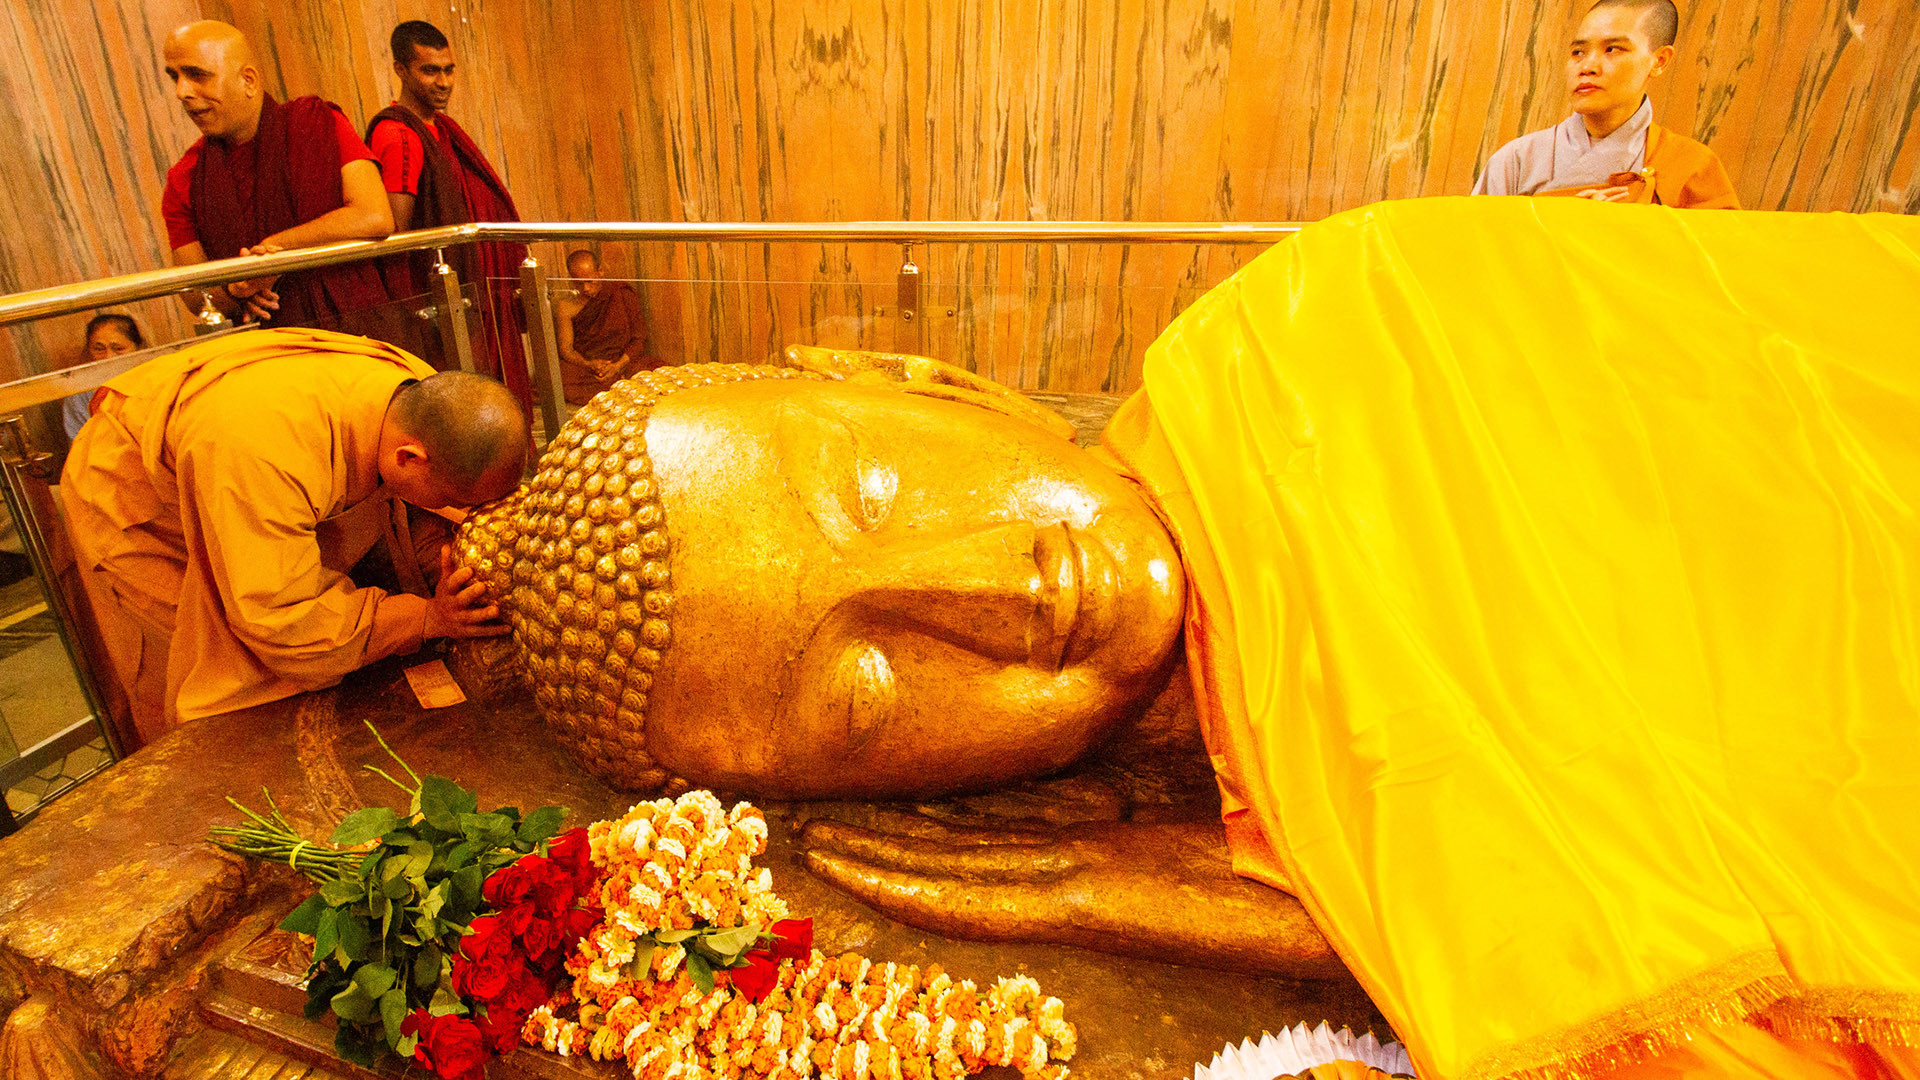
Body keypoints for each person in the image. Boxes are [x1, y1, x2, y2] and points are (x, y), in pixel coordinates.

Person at [457, 198, 1920, 1080]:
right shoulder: (1270, 808)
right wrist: (1340, 884)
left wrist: (1410, 893)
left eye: (874, 485)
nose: (990, 588)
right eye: (864, 691)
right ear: (917, 795)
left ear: (910, 377)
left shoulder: (1354, 305)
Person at [61, 327, 527, 745]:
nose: (465, 514)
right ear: (408, 458)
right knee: (198, 659)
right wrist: (425, 617)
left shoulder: (412, 390)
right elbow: (279, 618)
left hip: (240, 448)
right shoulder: (263, 458)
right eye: (460, 499)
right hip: (135, 500)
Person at [158, 21, 393, 330]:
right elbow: (194, 291)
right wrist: (238, 290)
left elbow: (373, 215)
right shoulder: (184, 179)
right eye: (175, 77)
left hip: (357, 328)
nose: (181, 92)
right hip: (267, 344)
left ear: (249, 80)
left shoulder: (318, 124)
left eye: (197, 75)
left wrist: (272, 255)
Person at [365, 20, 532, 415]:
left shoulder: (441, 128)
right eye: (429, 70)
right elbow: (394, 232)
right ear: (401, 71)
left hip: (472, 288)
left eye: (449, 69)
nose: (443, 82)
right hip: (437, 297)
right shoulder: (397, 134)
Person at [1472, 0, 1739, 207]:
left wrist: (1618, 233)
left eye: (1612, 49)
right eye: (1578, 52)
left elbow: (1718, 264)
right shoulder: (1517, 160)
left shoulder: (1691, 167)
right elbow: (1475, 251)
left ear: (1659, 61)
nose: (1587, 66)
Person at [554, 250, 651, 405]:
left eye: (589, 281)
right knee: (557, 375)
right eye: (578, 283)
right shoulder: (566, 306)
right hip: (588, 368)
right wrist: (589, 364)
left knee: (654, 372)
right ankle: (617, 388)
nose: (585, 288)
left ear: (600, 272)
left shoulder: (621, 294)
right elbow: (566, 349)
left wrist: (617, 366)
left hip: (623, 362)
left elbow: (639, 339)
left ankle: (618, 384)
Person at [63, 314, 147, 440]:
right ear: (88, 351)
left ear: (138, 348)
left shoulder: (155, 379)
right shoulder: (80, 393)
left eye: (119, 348)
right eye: (99, 349)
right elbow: (81, 445)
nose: (108, 357)